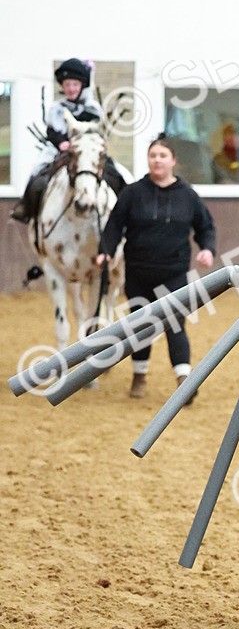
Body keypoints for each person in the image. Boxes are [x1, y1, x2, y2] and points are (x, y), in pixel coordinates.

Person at [96, 133, 216, 398]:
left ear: (173, 160)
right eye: (153, 156)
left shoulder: (188, 196)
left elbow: (205, 227)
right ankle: (139, 377)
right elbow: (114, 225)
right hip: (138, 272)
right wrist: (105, 251)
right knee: (140, 326)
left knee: (175, 324)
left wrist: (207, 249)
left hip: (173, 274)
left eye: (162, 156)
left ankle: (184, 380)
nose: (157, 161)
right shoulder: (133, 193)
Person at [10, 58, 125, 223]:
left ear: (81, 86)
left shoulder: (93, 109)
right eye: (67, 85)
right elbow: (51, 131)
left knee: (117, 174)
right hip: (62, 152)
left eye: (75, 85)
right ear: (63, 87)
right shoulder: (56, 110)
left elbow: (98, 132)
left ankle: (124, 213)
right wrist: (61, 142)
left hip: (88, 152)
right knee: (37, 177)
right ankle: (27, 209)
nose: (71, 89)